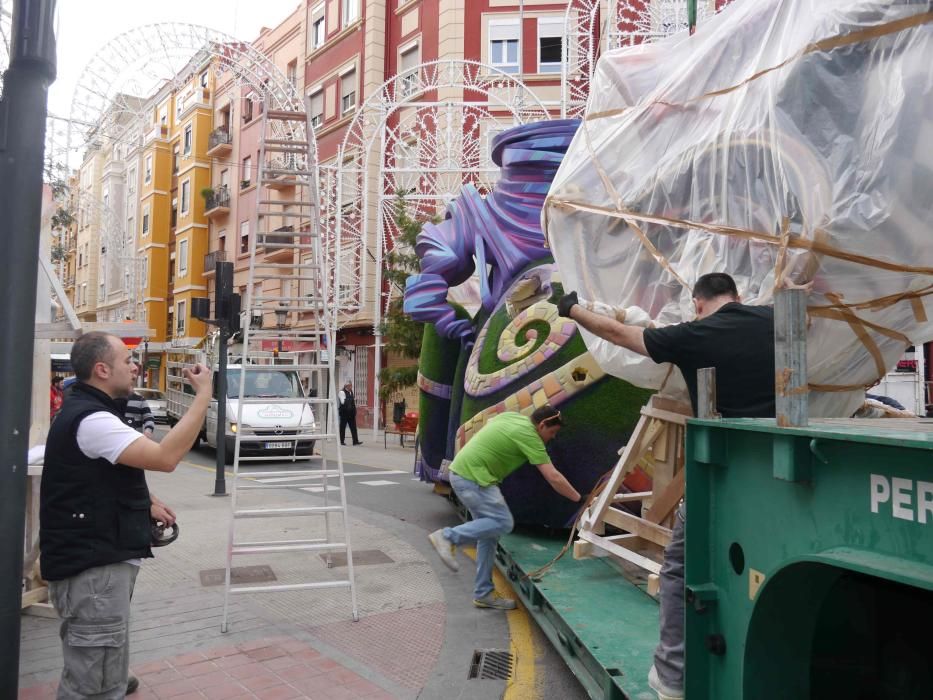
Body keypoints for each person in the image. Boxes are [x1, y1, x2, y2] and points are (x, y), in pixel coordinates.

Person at [557, 272, 776, 700]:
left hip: (721, 470)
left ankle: (672, 677)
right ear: (738, 295)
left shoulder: (697, 334)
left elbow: (621, 334)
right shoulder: (771, 321)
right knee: (755, 566)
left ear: (697, 303)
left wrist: (571, 310)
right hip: (774, 467)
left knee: (679, 566)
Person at [40, 331, 212, 699]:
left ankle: (114, 680)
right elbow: (165, 458)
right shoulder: (91, 419)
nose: (135, 367)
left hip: (98, 562)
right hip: (92, 568)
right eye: (127, 361)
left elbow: (108, 467)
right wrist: (203, 395)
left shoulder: (89, 411)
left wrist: (146, 501)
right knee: (92, 686)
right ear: (102, 369)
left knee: (106, 661)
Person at [428, 405, 582, 610]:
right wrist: (580, 499)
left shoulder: (514, 417)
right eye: (552, 432)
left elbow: (492, 427)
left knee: (489, 536)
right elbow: (553, 477)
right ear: (542, 424)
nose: (552, 437)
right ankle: (448, 537)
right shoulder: (530, 437)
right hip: (474, 478)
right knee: (503, 522)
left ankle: (483, 594)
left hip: (465, 474)